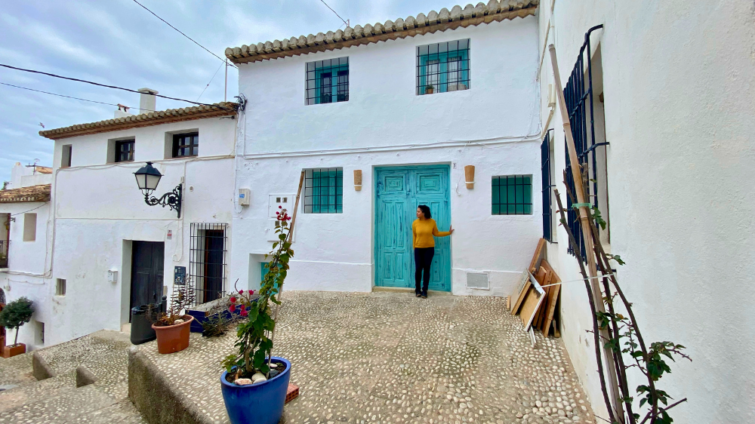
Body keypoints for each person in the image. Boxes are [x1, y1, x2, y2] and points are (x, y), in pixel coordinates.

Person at [412, 205, 453, 298]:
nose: (417, 213)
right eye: (417, 211)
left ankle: (424, 290)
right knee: (418, 269)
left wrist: (448, 233)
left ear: (424, 212)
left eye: (418, 211)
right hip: (418, 249)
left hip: (429, 249)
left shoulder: (432, 222)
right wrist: (414, 248)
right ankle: (417, 289)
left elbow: (436, 233)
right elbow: (414, 236)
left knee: (427, 269)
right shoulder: (415, 223)